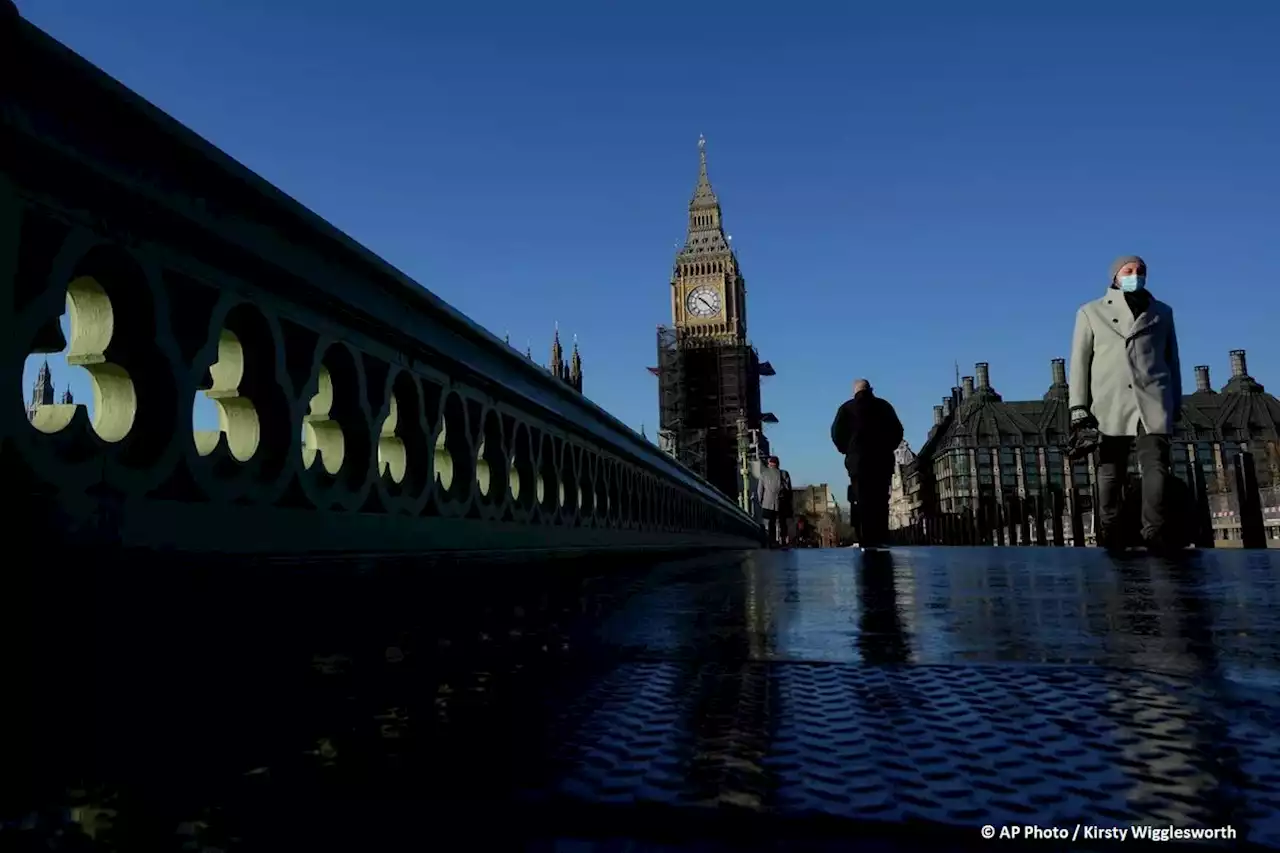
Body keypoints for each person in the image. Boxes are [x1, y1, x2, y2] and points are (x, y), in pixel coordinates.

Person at [1068, 254, 1182, 553]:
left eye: (1140, 271)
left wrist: (1176, 404)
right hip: (1110, 398)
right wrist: (1078, 406)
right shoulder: (1091, 312)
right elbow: (1080, 362)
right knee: (1110, 469)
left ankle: (1154, 530)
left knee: (1156, 466)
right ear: (1115, 276)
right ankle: (1110, 528)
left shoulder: (1162, 312)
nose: (1136, 275)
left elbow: (1172, 361)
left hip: (1153, 397)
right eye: (1129, 270)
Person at [830, 379, 904, 549]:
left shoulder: (846, 409)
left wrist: (846, 449)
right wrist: (888, 447)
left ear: (854, 392)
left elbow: (836, 433)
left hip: (858, 461)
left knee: (861, 498)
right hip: (881, 459)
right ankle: (881, 536)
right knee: (880, 498)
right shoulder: (884, 407)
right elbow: (898, 431)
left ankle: (865, 536)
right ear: (871, 389)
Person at [756, 455, 784, 547]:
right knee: (777, 523)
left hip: (766, 503)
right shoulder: (781, 474)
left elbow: (759, 490)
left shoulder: (763, 474)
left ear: (769, 463)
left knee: (767, 523)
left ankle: (767, 541)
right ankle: (777, 541)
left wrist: (760, 501)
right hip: (778, 503)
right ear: (777, 464)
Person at [777, 464, 794, 546]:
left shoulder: (767, 474)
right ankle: (783, 539)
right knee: (783, 521)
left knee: (774, 520)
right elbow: (788, 488)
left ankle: (775, 539)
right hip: (783, 500)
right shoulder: (784, 473)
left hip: (773, 500)